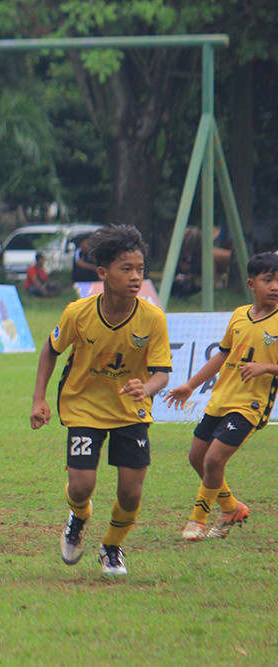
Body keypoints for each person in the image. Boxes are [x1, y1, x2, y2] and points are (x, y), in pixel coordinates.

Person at [30, 224, 172, 576]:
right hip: (84, 405)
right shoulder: (77, 312)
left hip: (130, 410)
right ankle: (78, 517)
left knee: (130, 494)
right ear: (103, 273)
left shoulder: (152, 318)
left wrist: (147, 388)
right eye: (126, 269)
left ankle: (111, 547)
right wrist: (38, 400)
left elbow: (162, 374)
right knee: (81, 486)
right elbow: (51, 350)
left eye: (140, 269)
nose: (136, 277)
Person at [164, 252, 278, 541]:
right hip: (221, 399)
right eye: (269, 280)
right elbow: (223, 354)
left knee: (214, 460)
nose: (275, 286)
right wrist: (190, 385)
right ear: (252, 284)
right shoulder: (240, 314)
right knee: (196, 458)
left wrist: (266, 367)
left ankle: (197, 521)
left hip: (251, 405)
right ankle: (231, 508)